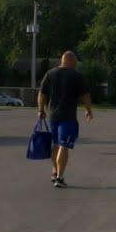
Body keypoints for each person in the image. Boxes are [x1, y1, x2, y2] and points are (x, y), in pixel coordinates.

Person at [38, 51, 92, 188]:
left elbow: (42, 94)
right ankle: (60, 178)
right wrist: (88, 110)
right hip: (68, 117)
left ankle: (55, 172)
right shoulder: (76, 76)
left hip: (53, 116)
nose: (75, 64)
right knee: (64, 146)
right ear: (71, 61)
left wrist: (41, 110)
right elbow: (85, 96)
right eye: (75, 62)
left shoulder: (50, 74)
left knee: (56, 145)